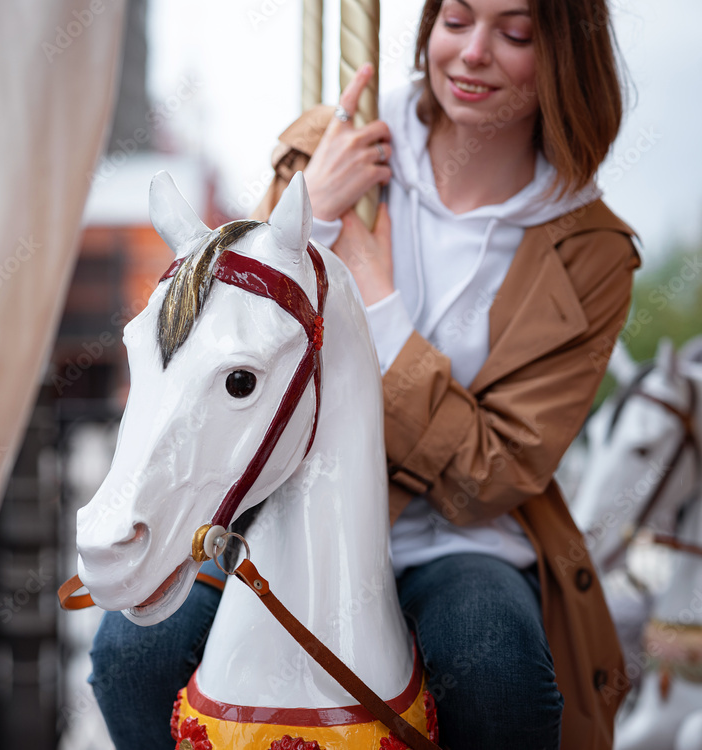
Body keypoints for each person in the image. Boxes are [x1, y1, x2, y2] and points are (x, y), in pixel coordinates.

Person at [89, 0, 639, 748]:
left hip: (454, 535)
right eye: (455, 19)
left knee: (498, 676)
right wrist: (311, 212)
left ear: (566, 57)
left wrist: (378, 299)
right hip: (277, 508)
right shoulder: (336, 143)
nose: (473, 52)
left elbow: (494, 472)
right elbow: (227, 336)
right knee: (130, 653)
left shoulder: (591, 251)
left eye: (513, 34)